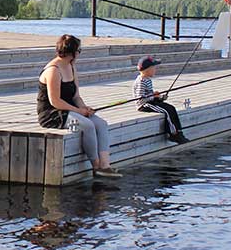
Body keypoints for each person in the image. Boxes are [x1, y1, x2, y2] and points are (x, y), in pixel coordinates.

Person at [37, 34, 120, 179]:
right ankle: (96, 167)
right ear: (73, 52)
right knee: (87, 125)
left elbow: (76, 96)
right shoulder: (53, 70)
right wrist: (79, 111)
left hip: (70, 109)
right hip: (53, 113)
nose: (79, 53)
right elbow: (55, 101)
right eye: (79, 50)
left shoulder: (71, 67)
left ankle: (105, 166)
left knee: (100, 123)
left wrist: (85, 108)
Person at [134, 56, 188, 144]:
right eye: (154, 68)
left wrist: (159, 97)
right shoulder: (141, 81)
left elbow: (149, 94)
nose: (155, 70)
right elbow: (141, 98)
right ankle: (173, 134)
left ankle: (179, 132)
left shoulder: (147, 79)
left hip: (151, 101)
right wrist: (154, 97)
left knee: (171, 108)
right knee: (166, 111)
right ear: (148, 70)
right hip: (144, 105)